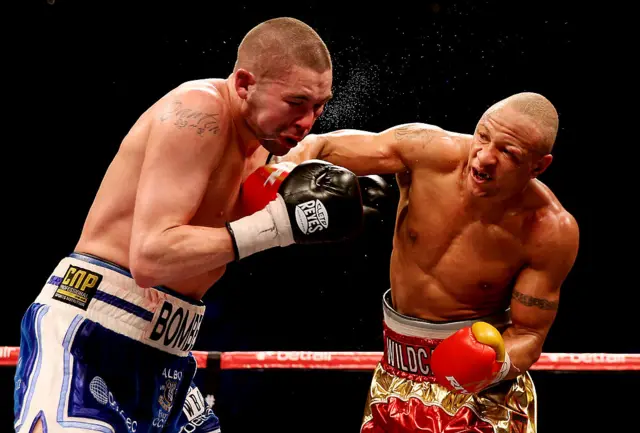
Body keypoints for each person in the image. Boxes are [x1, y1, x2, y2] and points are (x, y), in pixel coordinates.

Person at [13, 17, 365, 433]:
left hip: (169, 352)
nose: (308, 120)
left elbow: (365, 146)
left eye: (319, 106)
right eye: (296, 102)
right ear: (244, 83)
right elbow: (150, 258)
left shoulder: (267, 148)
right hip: (93, 332)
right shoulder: (199, 112)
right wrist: (277, 227)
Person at [280, 92, 580, 432]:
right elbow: (320, 147)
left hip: (480, 399)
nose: (484, 157)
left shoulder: (549, 230)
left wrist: (495, 366)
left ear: (539, 166)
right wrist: (286, 169)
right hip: (393, 375)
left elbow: (530, 332)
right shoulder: (428, 152)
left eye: (508, 152)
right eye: (483, 136)